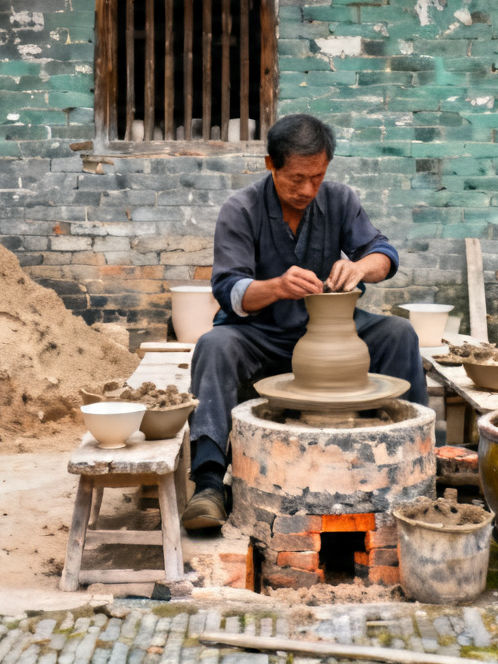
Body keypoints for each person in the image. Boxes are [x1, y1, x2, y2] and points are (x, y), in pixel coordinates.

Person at [182, 113, 428, 530]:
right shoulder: (240, 209)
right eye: (296, 178)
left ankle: (419, 462)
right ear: (270, 165)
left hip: (330, 333)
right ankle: (207, 483)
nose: (307, 189)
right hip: (259, 335)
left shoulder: (339, 200)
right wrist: (276, 286)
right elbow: (228, 288)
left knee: (398, 333)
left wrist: (362, 268)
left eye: (317, 176)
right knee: (213, 345)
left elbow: (384, 252)